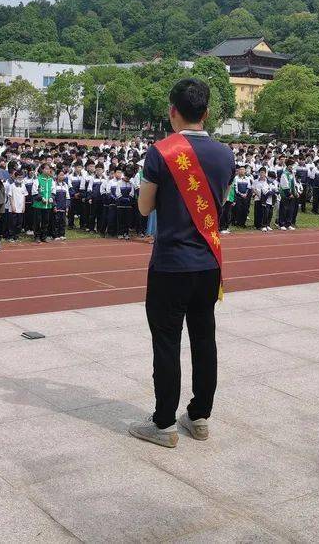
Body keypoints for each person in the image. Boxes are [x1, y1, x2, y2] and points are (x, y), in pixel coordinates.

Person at [129, 78, 233, 448]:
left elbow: (144, 207)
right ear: (206, 113)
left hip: (171, 263)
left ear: (173, 111)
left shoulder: (161, 152)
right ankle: (199, 416)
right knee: (205, 341)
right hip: (208, 263)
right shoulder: (226, 154)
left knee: (167, 343)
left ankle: (163, 424)